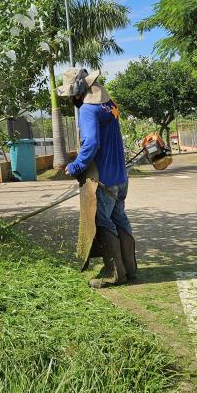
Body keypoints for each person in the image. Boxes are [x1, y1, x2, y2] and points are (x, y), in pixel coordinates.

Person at [56, 67, 136, 288]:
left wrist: (76, 166)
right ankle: (129, 268)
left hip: (104, 180)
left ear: (77, 92)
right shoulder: (109, 105)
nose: (70, 99)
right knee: (120, 219)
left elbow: (91, 143)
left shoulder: (89, 110)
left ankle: (114, 273)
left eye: (70, 95)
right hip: (120, 178)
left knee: (103, 221)